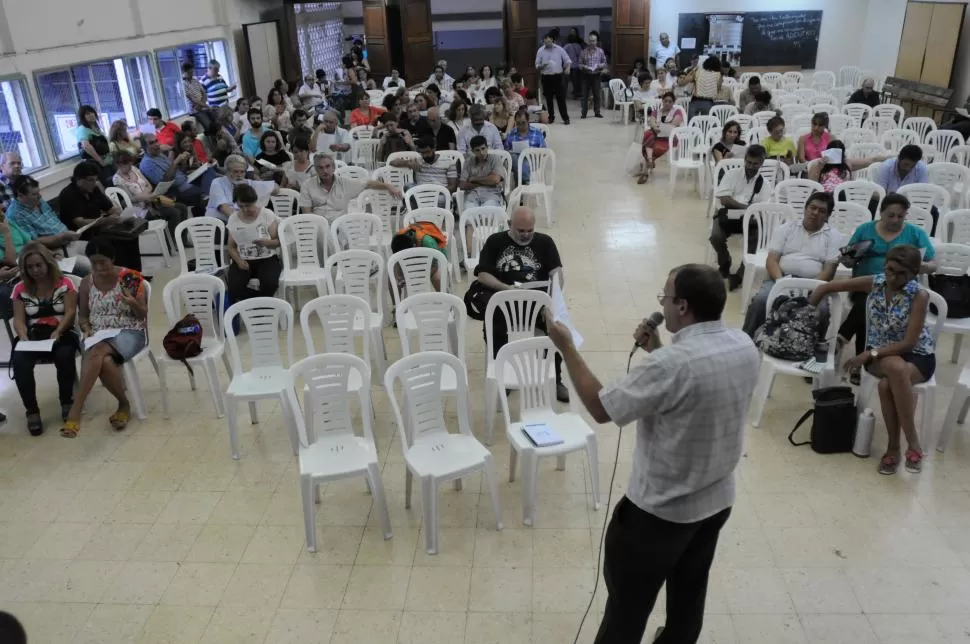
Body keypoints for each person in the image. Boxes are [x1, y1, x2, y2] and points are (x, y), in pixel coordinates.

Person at [543, 263, 758, 644]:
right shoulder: (743, 345)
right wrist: (656, 348)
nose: (661, 302)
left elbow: (601, 407)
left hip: (660, 515)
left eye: (666, 297)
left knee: (627, 609)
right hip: (715, 501)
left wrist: (567, 347)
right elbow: (693, 391)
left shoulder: (670, 365)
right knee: (689, 594)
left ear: (682, 306)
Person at [810, 245, 934, 474]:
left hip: (916, 355)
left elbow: (909, 343)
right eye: (890, 270)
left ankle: (894, 448)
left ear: (915, 273)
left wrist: (870, 353)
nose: (893, 278)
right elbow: (830, 286)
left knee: (888, 383)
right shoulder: (876, 282)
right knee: (895, 367)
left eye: (902, 274)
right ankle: (913, 443)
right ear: (884, 266)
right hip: (884, 357)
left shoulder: (919, 295)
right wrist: (812, 302)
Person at [836, 193, 937, 383]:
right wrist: (848, 260)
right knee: (868, 300)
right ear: (881, 213)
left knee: (869, 303)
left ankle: (844, 341)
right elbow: (849, 262)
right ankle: (859, 355)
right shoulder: (865, 230)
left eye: (900, 216)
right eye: (891, 215)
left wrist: (919, 266)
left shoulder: (915, 233)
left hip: (901, 290)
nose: (896, 220)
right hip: (865, 285)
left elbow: (933, 264)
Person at [475, 206, 569, 401]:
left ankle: (556, 378)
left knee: (557, 328)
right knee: (494, 331)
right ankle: (503, 373)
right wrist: (505, 288)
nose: (526, 235)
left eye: (530, 231)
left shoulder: (545, 242)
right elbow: (483, 275)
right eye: (521, 231)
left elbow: (557, 273)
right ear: (510, 225)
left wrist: (551, 301)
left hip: (537, 305)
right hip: (504, 302)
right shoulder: (495, 242)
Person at [59, 238, 148, 438]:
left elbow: (142, 315)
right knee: (104, 360)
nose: (99, 267)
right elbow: (83, 316)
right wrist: (86, 328)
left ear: (112, 259)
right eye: (94, 263)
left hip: (129, 331)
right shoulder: (86, 282)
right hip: (97, 333)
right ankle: (123, 405)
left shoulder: (130, 278)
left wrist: (132, 302)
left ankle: (75, 410)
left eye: (103, 262)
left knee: (97, 352)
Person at [741, 192, 842, 336]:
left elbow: (829, 270)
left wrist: (811, 288)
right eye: (812, 208)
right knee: (760, 301)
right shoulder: (786, 228)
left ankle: (816, 351)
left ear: (827, 216)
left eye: (821, 211)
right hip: (781, 278)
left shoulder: (834, 236)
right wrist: (781, 282)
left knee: (822, 311)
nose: (815, 213)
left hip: (814, 284)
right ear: (805, 208)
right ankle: (747, 339)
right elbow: (772, 260)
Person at [11, 243, 79, 436]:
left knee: (64, 355)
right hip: (33, 335)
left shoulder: (65, 283)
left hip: (62, 332)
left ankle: (66, 401)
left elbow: (70, 311)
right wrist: (23, 337)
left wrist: (58, 331)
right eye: (30, 267)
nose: (35, 270)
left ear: (48, 263)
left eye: (38, 265)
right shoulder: (19, 288)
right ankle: (32, 411)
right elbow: (18, 319)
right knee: (20, 362)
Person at [57, 162, 142, 272]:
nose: (94, 183)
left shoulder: (93, 190)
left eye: (96, 179)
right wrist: (104, 221)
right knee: (116, 243)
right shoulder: (68, 195)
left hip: (100, 228)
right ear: (79, 179)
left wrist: (115, 214)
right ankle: (120, 276)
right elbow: (79, 222)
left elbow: (111, 208)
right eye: (91, 180)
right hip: (82, 235)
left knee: (131, 236)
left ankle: (135, 273)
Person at [709, 145, 769, 286]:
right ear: (744, 159)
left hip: (750, 222)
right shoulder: (732, 174)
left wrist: (748, 210)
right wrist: (748, 208)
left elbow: (762, 209)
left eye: (755, 163)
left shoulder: (764, 184)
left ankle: (741, 274)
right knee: (715, 237)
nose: (751, 166)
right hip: (728, 217)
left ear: (761, 163)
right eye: (748, 162)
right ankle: (725, 263)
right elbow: (724, 199)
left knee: (755, 239)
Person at [6, 176, 89, 275]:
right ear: (20, 195)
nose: (39, 196)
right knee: (90, 267)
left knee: (101, 251)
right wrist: (60, 237)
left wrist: (66, 236)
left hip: (69, 242)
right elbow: (33, 242)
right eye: (34, 194)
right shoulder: (15, 214)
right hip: (54, 251)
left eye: (38, 192)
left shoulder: (37, 200)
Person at [300, 153, 401, 222]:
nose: (325, 171)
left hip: (340, 224)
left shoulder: (345, 183)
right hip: (319, 225)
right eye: (320, 168)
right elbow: (307, 214)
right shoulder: (307, 185)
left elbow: (368, 184)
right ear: (315, 169)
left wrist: (388, 185)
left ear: (334, 167)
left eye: (328, 166)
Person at [112, 150, 189, 242]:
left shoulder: (134, 169)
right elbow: (129, 198)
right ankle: (173, 242)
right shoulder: (117, 179)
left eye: (130, 163)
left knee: (182, 207)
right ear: (119, 165)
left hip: (152, 200)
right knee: (174, 212)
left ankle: (183, 239)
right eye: (127, 164)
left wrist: (147, 195)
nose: (130, 166)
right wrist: (145, 197)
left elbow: (149, 185)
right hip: (139, 210)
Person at [226, 183, 282, 303]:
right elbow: (231, 247)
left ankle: (259, 303)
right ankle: (257, 301)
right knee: (234, 287)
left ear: (255, 201)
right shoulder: (233, 219)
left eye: (248, 205)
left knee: (270, 283)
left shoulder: (266, 214)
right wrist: (239, 261)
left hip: (266, 257)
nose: (246, 210)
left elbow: (278, 241)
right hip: (244, 258)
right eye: (241, 207)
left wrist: (267, 243)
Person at [138, 133, 211, 209]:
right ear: (144, 147)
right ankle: (205, 196)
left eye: (156, 141)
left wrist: (184, 164)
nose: (156, 144)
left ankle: (205, 195)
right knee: (212, 190)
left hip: (187, 179)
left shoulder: (159, 154)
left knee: (210, 170)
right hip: (178, 190)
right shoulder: (147, 164)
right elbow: (164, 182)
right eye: (151, 143)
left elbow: (178, 172)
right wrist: (176, 162)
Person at [207, 155, 278, 222]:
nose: (239, 175)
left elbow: (275, 187)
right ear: (227, 171)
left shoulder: (248, 183)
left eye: (242, 172)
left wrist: (259, 181)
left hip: (241, 222)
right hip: (219, 222)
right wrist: (244, 222)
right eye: (235, 171)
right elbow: (223, 207)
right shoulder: (217, 182)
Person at [807, 140, 886, 194]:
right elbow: (811, 186)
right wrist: (819, 167)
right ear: (828, 151)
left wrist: (892, 157)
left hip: (844, 195)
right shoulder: (817, 164)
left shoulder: (847, 163)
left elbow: (871, 160)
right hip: (824, 196)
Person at [637, 92, 684, 184]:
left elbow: (675, 123)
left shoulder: (677, 111)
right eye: (665, 101)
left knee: (649, 140)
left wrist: (662, 126)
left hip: (670, 137)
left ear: (673, 102)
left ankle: (646, 170)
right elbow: (652, 122)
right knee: (648, 134)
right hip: (656, 135)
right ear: (662, 101)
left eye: (670, 101)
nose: (667, 103)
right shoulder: (657, 111)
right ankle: (650, 160)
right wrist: (655, 127)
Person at [390, 221, 447, 292]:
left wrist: (417, 276)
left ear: (414, 246)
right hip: (415, 258)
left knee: (437, 278)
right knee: (392, 280)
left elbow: (435, 267)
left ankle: (446, 299)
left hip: (435, 259)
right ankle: (397, 303)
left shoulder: (428, 243)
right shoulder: (397, 240)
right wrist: (399, 275)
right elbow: (396, 261)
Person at [535, 32, 572, 125]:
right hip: (546, 77)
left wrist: (568, 68)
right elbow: (536, 65)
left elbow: (568, 60)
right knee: (548, 98)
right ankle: (551, 117)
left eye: (549, 39)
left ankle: (565, 118)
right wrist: (541, 66)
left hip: (558, 77)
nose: (547, 40)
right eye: (545, 39)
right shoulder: (540, 51)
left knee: (561, 98)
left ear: (552, 40)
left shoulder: (559, 49)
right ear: (543, 41)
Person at [505, 108, 547, 185]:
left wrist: (531, 151)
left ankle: (520, 183)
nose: (521, 126)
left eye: (523, 123)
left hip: (531, 160)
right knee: (514, 157)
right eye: (518, 123)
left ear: (528, 121)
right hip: (516, 159)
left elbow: (544, 152)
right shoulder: (512, 133)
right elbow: (506, 150)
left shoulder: (536, 133)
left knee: (523, 162)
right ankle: (525, 181)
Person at [461, 134, 504, 208]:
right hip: (472, 196)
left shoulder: (495, 159)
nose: (481, 152)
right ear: (472, 151)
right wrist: (487, 180)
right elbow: (462, 185)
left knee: (486, 213)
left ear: (487, 147)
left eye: (483, 148)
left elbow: (495, 180)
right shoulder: (468, 162)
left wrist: (474, 179)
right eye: (477, 150)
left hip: (491, 195)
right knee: (470, 215)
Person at [75, 105, 113, 180]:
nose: (91, 115)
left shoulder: (96, 128)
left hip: (108, 161)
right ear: (83, 117)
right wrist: (100, 161)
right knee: (109, 186)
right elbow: (86, 146)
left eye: (92, 112)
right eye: (88, 114)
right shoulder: (82, 129)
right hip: (98, 164)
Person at [578, 31, 607, 118]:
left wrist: (599, 65)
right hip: (585, 75)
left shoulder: (600, 51)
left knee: (597, 95)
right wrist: (584, 67)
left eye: (594, 41)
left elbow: (604, 63)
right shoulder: (583, 51)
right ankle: (584, 113)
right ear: (588, 41)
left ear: (596, 41)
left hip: (596, 75)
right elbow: (579, 64)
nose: (592, 42)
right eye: (590, 41)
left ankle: (597, 112)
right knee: (584, 95)